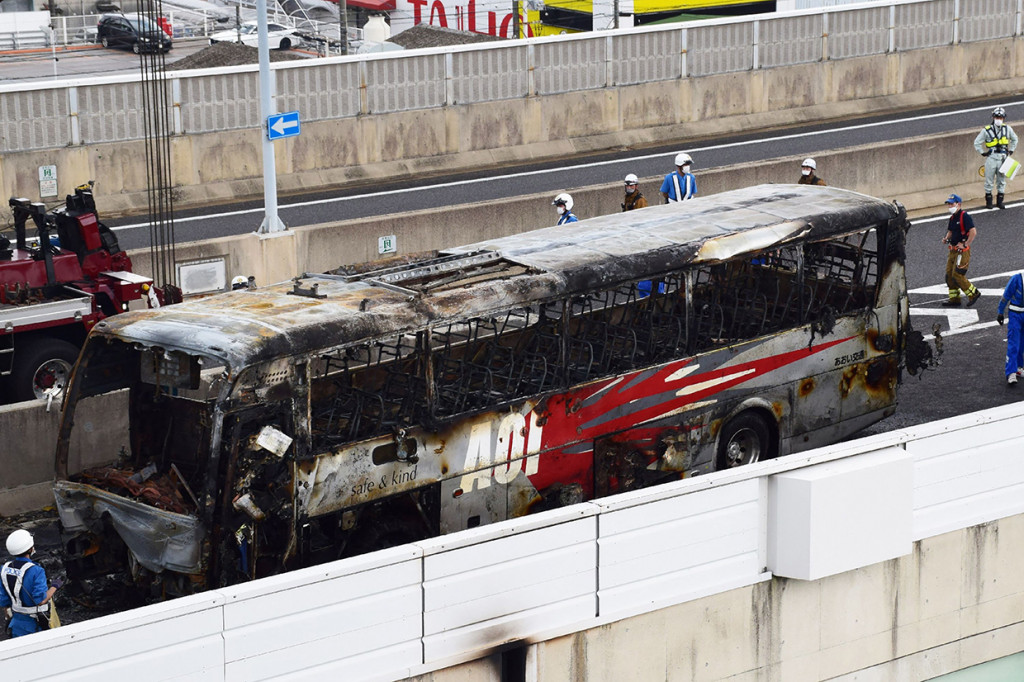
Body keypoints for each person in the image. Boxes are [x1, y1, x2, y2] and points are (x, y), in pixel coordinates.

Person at [1, 529, 59, 638]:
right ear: (30, 548)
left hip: (16, 623)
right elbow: (40, 600)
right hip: (35, 623)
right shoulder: (36, 571)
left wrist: (8, 616)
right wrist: (55, 586)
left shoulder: (3, 569)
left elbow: (4, 600)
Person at [940, 194, 981, 308]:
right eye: (948, 204)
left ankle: (974, 294)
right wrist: (946, 238)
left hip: (962, 252)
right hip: (953, 251)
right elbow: (951, 231)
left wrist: (965, 244)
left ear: (959, 204)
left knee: (957, 274)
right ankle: (954, 299)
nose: (949, 206)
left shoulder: (965, 216)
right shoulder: (952, 218)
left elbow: (973, 232)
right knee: (949, 275)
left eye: (951, 204)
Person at [973, 106, 1018, 209]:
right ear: (993, 117)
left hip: (1003, 158)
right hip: (992, 157)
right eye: (997, 117)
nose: (999, 119)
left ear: (1004, 118)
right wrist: (982, 152)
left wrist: (1011, 150)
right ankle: (989, 202)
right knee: (989, 180)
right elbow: (977, 142)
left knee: (1001, 180)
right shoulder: (986, 130)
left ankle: (1000, 201)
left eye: (1001, 117)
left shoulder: (1007, 129)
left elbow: (1015, 139)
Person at [996, 271, 1024, 387]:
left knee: (1021, 344)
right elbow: (1006, 295)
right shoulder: (1016, 279)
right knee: (1013, 343)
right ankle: (1011, 372)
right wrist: (1000, 312)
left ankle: (1018, 367)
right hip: (1015, 315)